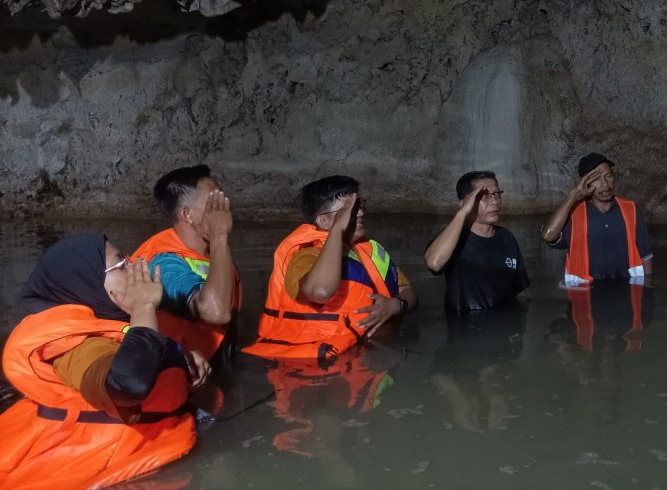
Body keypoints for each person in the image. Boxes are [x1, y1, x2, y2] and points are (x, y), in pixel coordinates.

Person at [0, 234, 206, 489]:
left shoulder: (106, 324)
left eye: (128, 259)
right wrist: (144, 305)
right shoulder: (76, 346)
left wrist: (181, 363)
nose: (133, 268)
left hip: (145, 459)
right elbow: (127, 384)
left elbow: (140, 357)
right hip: (88, 472)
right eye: (120, 265)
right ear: (86, 283)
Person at [244, 175, 417, 361]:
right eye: (348, 209)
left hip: (380, 356)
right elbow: (320, 291)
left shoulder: (370, 250)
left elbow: (408, 292)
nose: (360, 213)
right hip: (325, 368)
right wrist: (337, 230)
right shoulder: (305, 255)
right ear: (324, 222)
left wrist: (396, 305)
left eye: (359, 205)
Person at [132, 164, 241, 362]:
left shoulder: (214, 253)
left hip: (213, 367)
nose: (224, 209)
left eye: (223, 199)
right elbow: (215, 312)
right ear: (187, 214)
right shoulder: (163, 263)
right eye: (214, 203)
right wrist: (219, 236)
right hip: (176, 374)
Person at [424, 171, 530, 313]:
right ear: (464, 203)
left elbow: (518, 292)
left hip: (504, 329)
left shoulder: (507, 237)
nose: (495, 201)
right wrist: (463, 213)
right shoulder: (452, 240)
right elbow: (434, 263)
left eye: (497, 193)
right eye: (484, 196)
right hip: (467, 328)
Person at [541, 152, 654, 285]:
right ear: (585, 184)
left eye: (608, 176)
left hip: (626, 291)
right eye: (596, 179)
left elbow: (645, 255)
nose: (605, 184)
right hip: (585, 294)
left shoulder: (631, 209)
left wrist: (647, 291)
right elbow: (548, 235)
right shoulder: (573, 213)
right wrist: (574, 194)